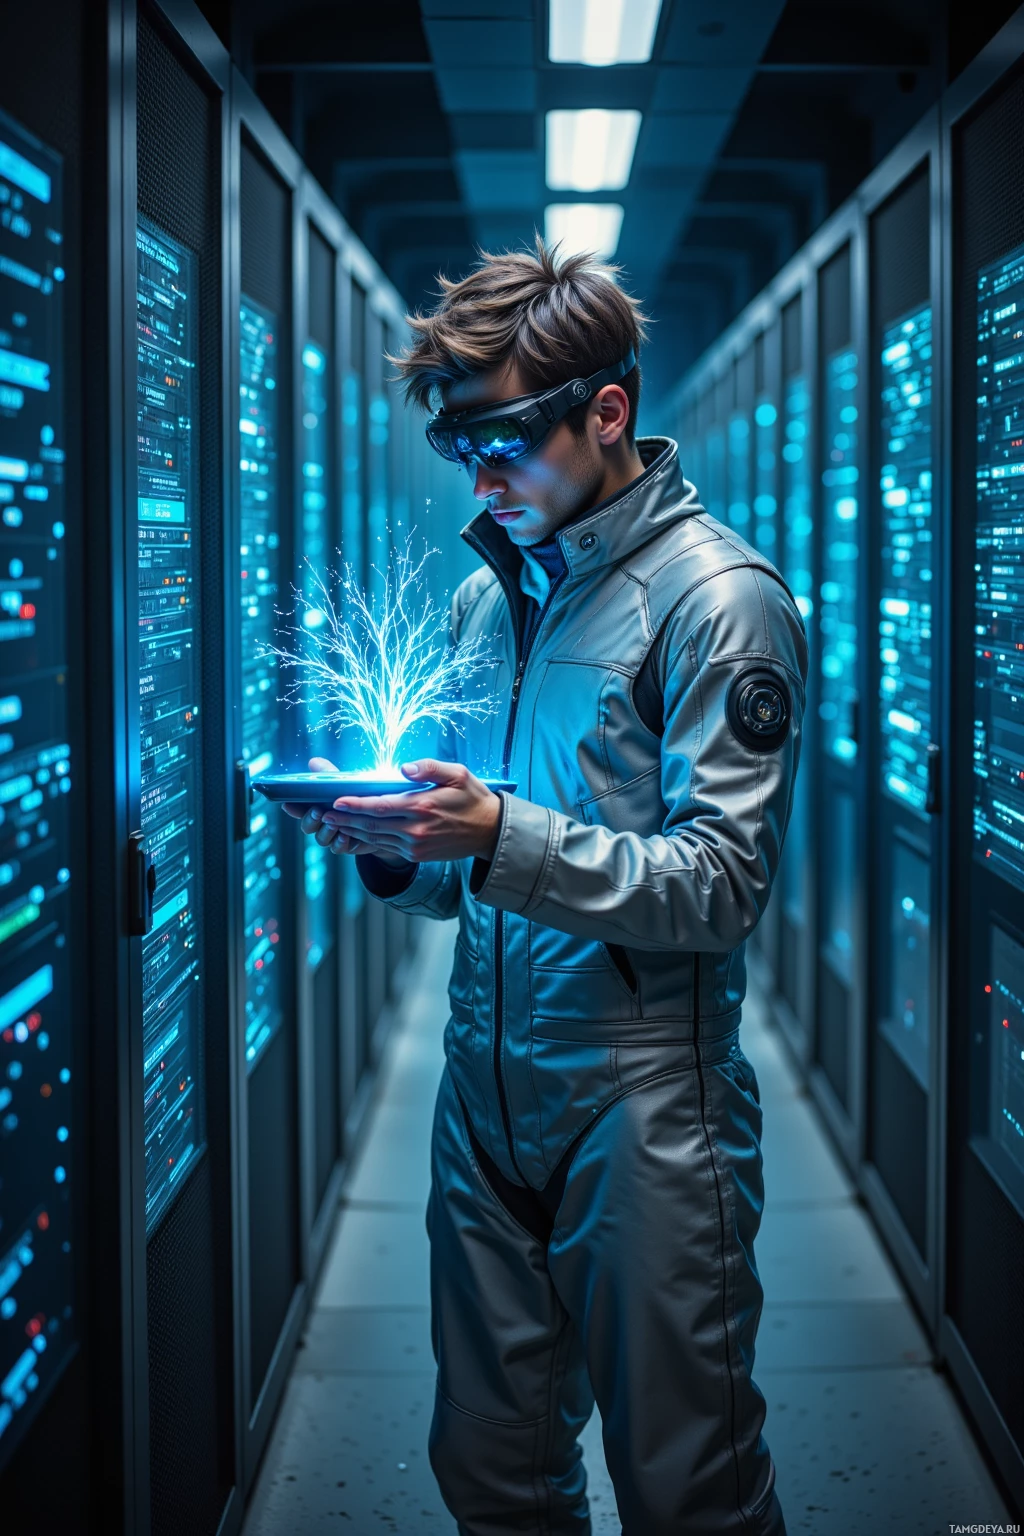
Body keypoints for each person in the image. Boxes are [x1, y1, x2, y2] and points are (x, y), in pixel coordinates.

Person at [285, 238, 806, 1536]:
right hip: (482, 1097)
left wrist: (498, 832)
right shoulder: (490, 604)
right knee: (494, 1474)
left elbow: (723, 885)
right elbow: (467, 881)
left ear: (607, 412)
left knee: (690, 1489)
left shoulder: (720, 603)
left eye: (506, 443)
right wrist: (398, 846)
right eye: (459, 449)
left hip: (644, 1106)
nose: (483, 479)